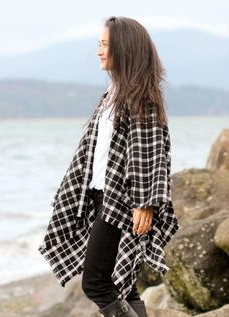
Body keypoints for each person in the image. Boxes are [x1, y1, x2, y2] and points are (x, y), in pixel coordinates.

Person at [38, 16, 180, 317]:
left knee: (96, 283)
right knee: (124, 284)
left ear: (124, 48)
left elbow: (149, 150)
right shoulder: (113, 95)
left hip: (122, 201)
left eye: (105, 44)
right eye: (99, 44)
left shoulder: (141, 96)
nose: (99, 51)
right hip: (103, 197)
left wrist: (145, 202)